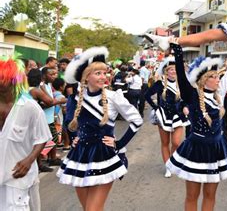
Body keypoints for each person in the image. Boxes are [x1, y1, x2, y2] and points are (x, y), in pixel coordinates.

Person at [57, 47, 143, 210]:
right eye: (98, 73)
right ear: (86, 77)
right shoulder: (75, 98)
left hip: (104, 155)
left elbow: (136, 120)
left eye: (105, 73)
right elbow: (69, 121)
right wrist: (75, 136)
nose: (103, 77)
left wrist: (119, 143)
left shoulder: (113, 96)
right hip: (79, 156)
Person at [166, 40, 227, 211]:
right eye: (213, 76)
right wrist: (177, 50)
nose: (217, 79)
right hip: (196, 148)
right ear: (203, 80)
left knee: (211, 195)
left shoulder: (220, 92)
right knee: (192, 196)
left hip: (217, 149)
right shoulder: (192, 96)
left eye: (217, 76)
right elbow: (182, 78)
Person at [0, 55, 51, 211]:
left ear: (13, 81)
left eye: (4, 80)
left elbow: (42, 138)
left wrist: (29, 160)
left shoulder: (30, 107)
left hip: (19, 176)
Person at [145, 56, 190, 178]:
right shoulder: (160, 83)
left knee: (176, 142)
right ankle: (168, 166)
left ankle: (172, 161)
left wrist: (186, 106)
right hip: (163, 117)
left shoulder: (182, 83)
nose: (173, 71)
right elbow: (147, 95)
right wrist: (156, 108)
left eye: (175, 69)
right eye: (171, 69)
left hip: (179, 116)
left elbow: (187, 98)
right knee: (165, 143)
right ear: (167, 71)